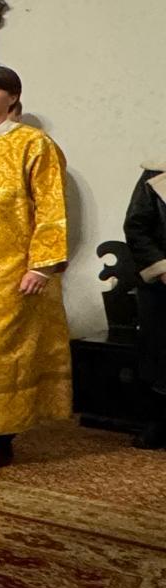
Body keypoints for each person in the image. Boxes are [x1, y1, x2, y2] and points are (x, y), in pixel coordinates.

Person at [0, 65, 72, 466]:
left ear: (12, 98)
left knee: (0, 352)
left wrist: (41, 266)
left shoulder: (34, 144)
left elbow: (52, 207)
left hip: (11, 269)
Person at [125, 159, 166, 449]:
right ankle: (158, 422)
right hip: (161, 285)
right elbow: (136, 227)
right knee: (159, 353)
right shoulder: (156, 175)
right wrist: (161, 268)